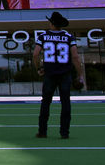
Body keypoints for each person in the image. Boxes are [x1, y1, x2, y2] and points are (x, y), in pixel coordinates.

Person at [33, 11, 84, 139]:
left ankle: (42, 131)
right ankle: (64, 132)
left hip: (50, 73)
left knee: (46, 102)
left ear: (51, 23)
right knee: (65, 102)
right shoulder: (68, 37)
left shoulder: (43, 36)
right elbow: (75, 56)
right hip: (65, 73)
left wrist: (38, 68)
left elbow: (35, 54)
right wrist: (80, 74)